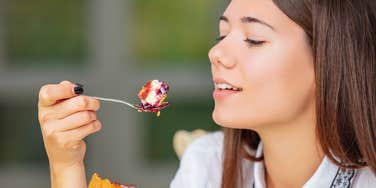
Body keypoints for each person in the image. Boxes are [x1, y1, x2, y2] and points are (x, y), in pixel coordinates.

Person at [38, 0, 376, 187]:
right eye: (222, 35)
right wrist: (66, 166)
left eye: (254, 39)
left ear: (330, 60)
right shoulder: (206, 166)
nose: (216, 54)